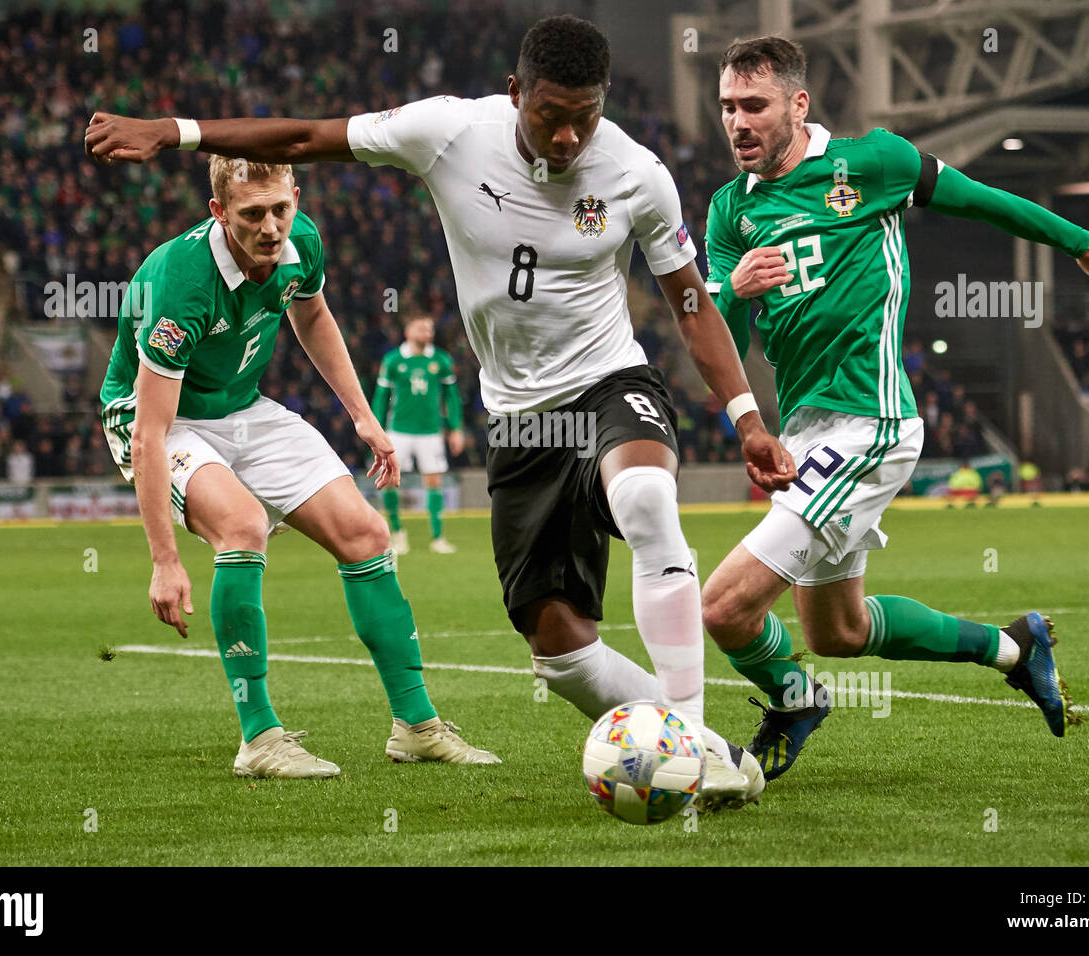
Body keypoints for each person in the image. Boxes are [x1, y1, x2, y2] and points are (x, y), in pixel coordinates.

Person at [86, 14, 794, 808]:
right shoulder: (449, 132)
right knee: (558, 652)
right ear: (515, 93)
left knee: (642, 497)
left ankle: (687, 746)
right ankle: (685, 743)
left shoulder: (636, 172)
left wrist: (744, 414)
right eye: (551, 115)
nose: (567, 138)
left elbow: (691, 302)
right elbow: (305, 134)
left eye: (585, 117)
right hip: (516, 417)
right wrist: (175, 133)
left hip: (608, 382)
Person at [698, 36, 1089, 779]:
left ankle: (794, 702)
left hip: (870, 420)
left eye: (754, 105)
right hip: (805, 429)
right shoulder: (731, 210)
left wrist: (1079, 239)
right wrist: (735, 293)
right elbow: (720, 343)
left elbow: (981, 201)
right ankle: (1017, 648)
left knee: (725, 607)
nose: (738, 121)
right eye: (728, 105)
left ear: (798, 105)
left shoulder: (874, 163)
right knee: (838, 630)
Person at [97, 155, 497, 778]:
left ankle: (416, 727)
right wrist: (164, 560)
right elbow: (150, 433)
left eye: (281, 208)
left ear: (296, 199)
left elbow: (310, 313)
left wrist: (363, 415)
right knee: (242, 526)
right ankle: (259, 738)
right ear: (219, 213)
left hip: (243, 406)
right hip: (157, 418)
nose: (271, 227)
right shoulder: (180, 283)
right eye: (252, 214)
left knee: (366, 533)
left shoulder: (301, 241)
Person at [371, 314, 464, 554]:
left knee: (434, 481)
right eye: (422, 327)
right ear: (408, 331)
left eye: (430, 328)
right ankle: (398, 533)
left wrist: (455, 428)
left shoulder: (441, 360)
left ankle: (437, 537)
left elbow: (452, 396)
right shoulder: (393, 360)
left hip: (430, 431)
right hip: (398, 431)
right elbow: (381, 396)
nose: (428, 332)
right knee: (390, 481)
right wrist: (375, 428)